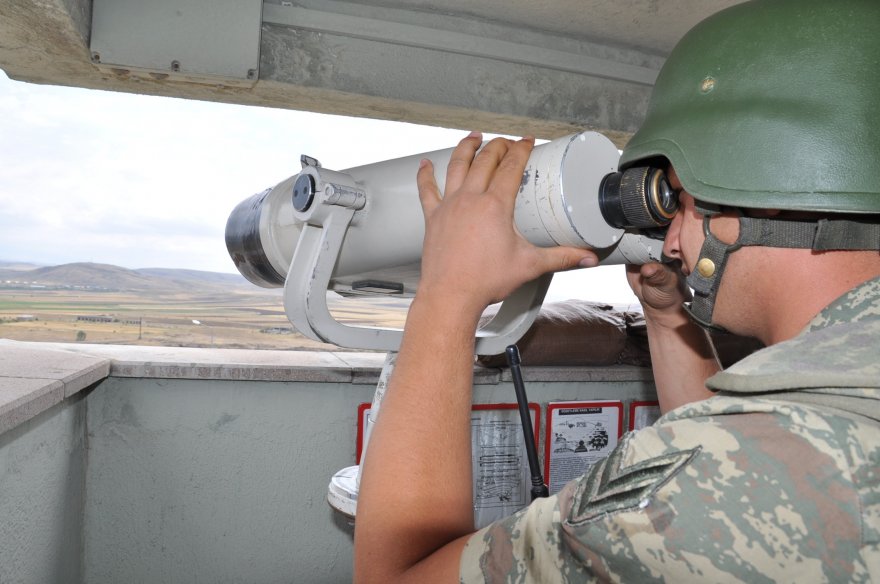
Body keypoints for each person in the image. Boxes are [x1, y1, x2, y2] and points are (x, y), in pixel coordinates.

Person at [353, 0, 880, 581]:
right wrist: (665, 314)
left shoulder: (703, 490)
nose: (672, 239)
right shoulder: (803, 428)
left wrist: (448, 294)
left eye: (681, 200)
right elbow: (734, 444)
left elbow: (397, 576)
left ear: (762, 195)